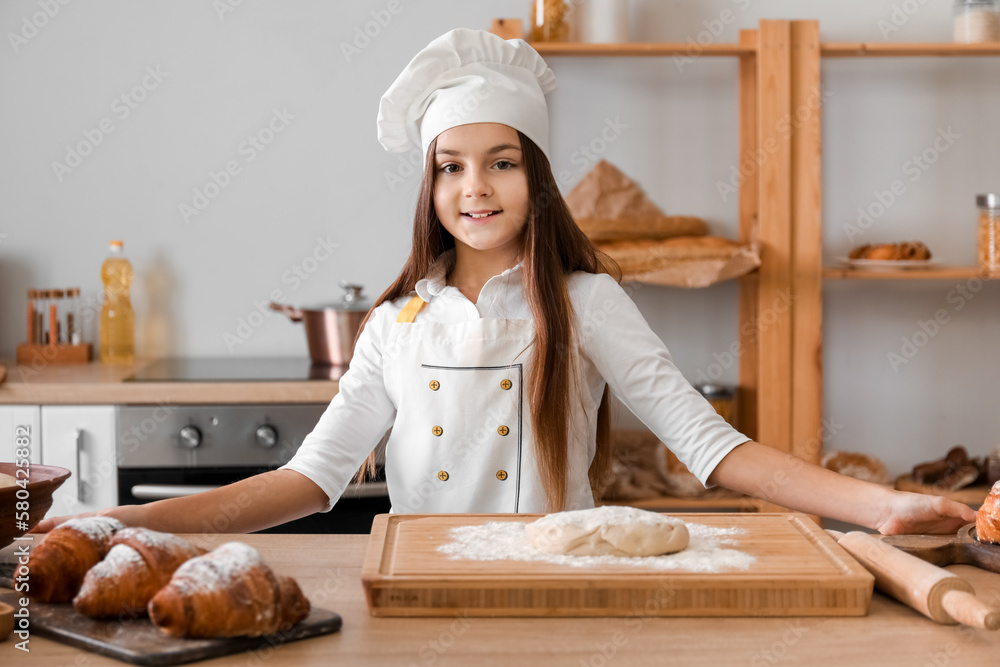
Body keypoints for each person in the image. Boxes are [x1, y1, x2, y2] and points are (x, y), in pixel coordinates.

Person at [35, 28, 974, 537]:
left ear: (537, 177)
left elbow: (711, 445)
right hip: (412, 588)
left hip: (559, 590)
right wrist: (118, 524)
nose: (473, 188)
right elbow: (308, 481)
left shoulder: (588, 303)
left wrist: (880, 504)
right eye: (449, 166)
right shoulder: (397, 322)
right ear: (429, 182)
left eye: (500, 163)